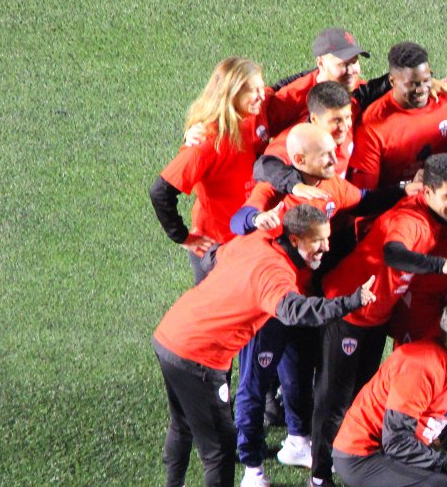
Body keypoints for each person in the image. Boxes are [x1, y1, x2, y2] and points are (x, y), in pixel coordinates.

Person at [152, 205, 375, 487]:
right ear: (294, 240)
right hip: (197, 356)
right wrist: (351, 302)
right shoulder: (276, 274)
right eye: (318, 240)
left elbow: (211, 258)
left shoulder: (255, 240)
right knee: (220, 449)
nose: (325, 247)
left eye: (327, 238)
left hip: (170, 334)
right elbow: (297, 312)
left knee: (182, 424)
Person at [310, 154, 447, 486]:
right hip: (349, 311)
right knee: (335, 395)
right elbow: (394, 254)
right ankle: (319, 476)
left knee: (362, 394)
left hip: (376, 315)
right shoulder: (411, 220)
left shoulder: (433, 214)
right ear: (427, 192)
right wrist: (440, 266)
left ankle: (369, 464)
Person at [228, 123, 377, 481]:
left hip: (303, 301)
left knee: (296, 376)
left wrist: (410, 189)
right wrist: (255, 218)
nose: (336, 157)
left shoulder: (332, 188)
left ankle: (297, 439)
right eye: (326, 153)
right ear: (299, 159)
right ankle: (251, 466)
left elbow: (368, 198)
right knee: (254, 384)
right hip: (267, 308)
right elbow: (239, 219)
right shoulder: (274, 191)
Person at [330, 301, 447, 487]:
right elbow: (395, 441)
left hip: (391, 449)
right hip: (363, 456)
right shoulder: (420, 367)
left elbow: (440, 418)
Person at [150, 57, 271, 284]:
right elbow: (160, 192)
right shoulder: (207, 142)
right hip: (219, 250)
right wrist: (184, 237)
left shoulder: (252, 114)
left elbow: (287, 85)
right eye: (254, 90)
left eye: (261, 87)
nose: (262, 95)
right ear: (232, 94)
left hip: (251, 241)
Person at [349, 42, 447, 191]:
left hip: (444, 198)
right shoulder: (372, 127)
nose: (421, 90)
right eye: (413, 84)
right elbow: (365, 197)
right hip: (398, 206)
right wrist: (407, 187)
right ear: (392, 81)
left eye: (426, 80)